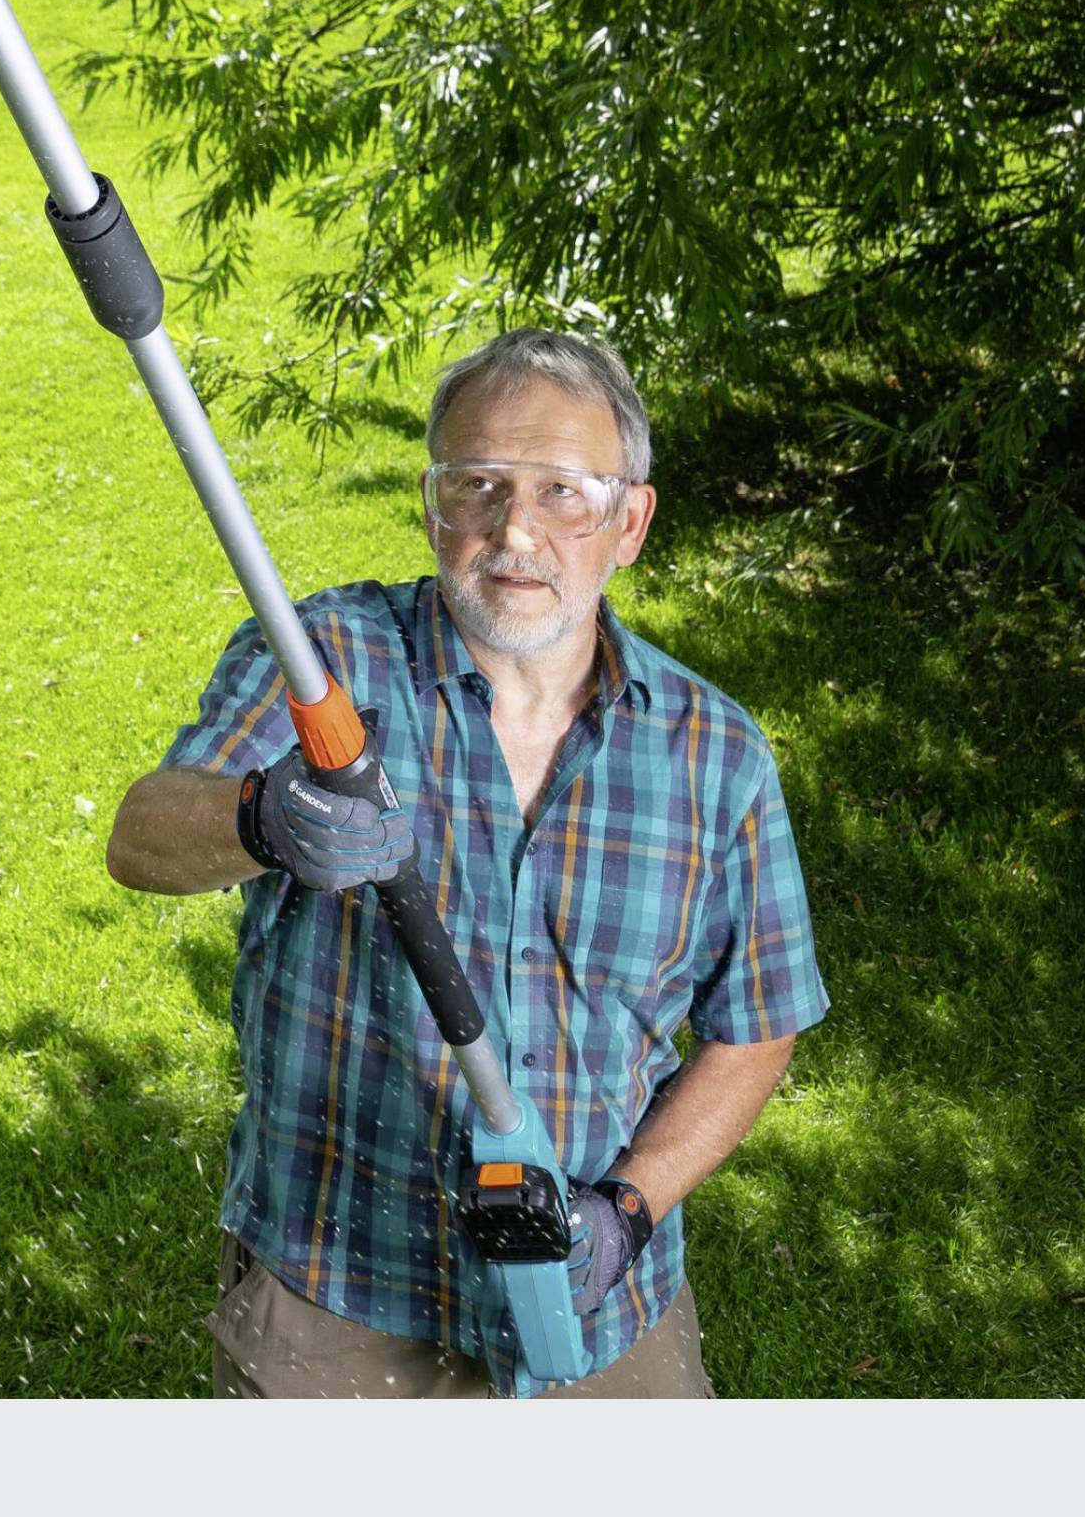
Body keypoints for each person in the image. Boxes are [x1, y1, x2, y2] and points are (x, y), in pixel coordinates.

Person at [106, 329, 828, 1398]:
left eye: (563, 493)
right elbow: (142, 835)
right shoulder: (327, 665)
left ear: (629, 522)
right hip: (337, 1295)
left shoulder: (713, 756)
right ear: (431, 504)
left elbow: (757, 1025)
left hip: (597, 1313)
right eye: (476, 485)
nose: (514, 531)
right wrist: (262, 817)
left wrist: (623, 1213)